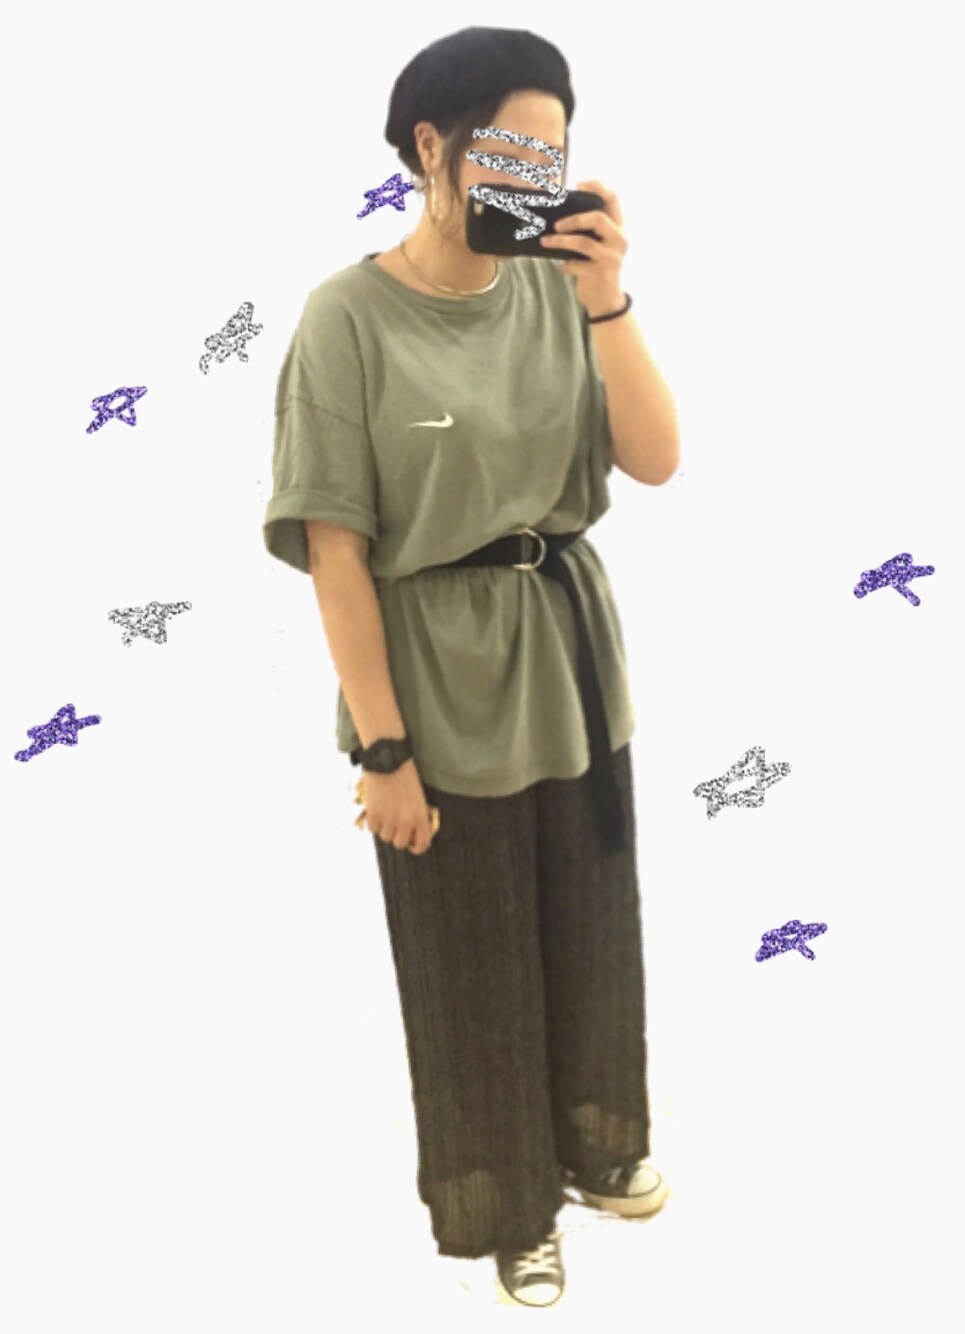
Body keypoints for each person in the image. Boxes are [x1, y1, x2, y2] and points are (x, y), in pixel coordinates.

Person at [262, 25, 674, 1310]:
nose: (532, 176)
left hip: (567, 651)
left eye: (552, 154)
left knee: (591, 922)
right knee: (470, 956)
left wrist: (607, 299)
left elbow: (656, 458)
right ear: (432, 147)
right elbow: (336, 551)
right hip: (434, 673)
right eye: (509, 149)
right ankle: (510, 1208)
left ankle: (598, 1145)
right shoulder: (347, 317)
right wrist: (383, 747)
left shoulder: (559, 285)